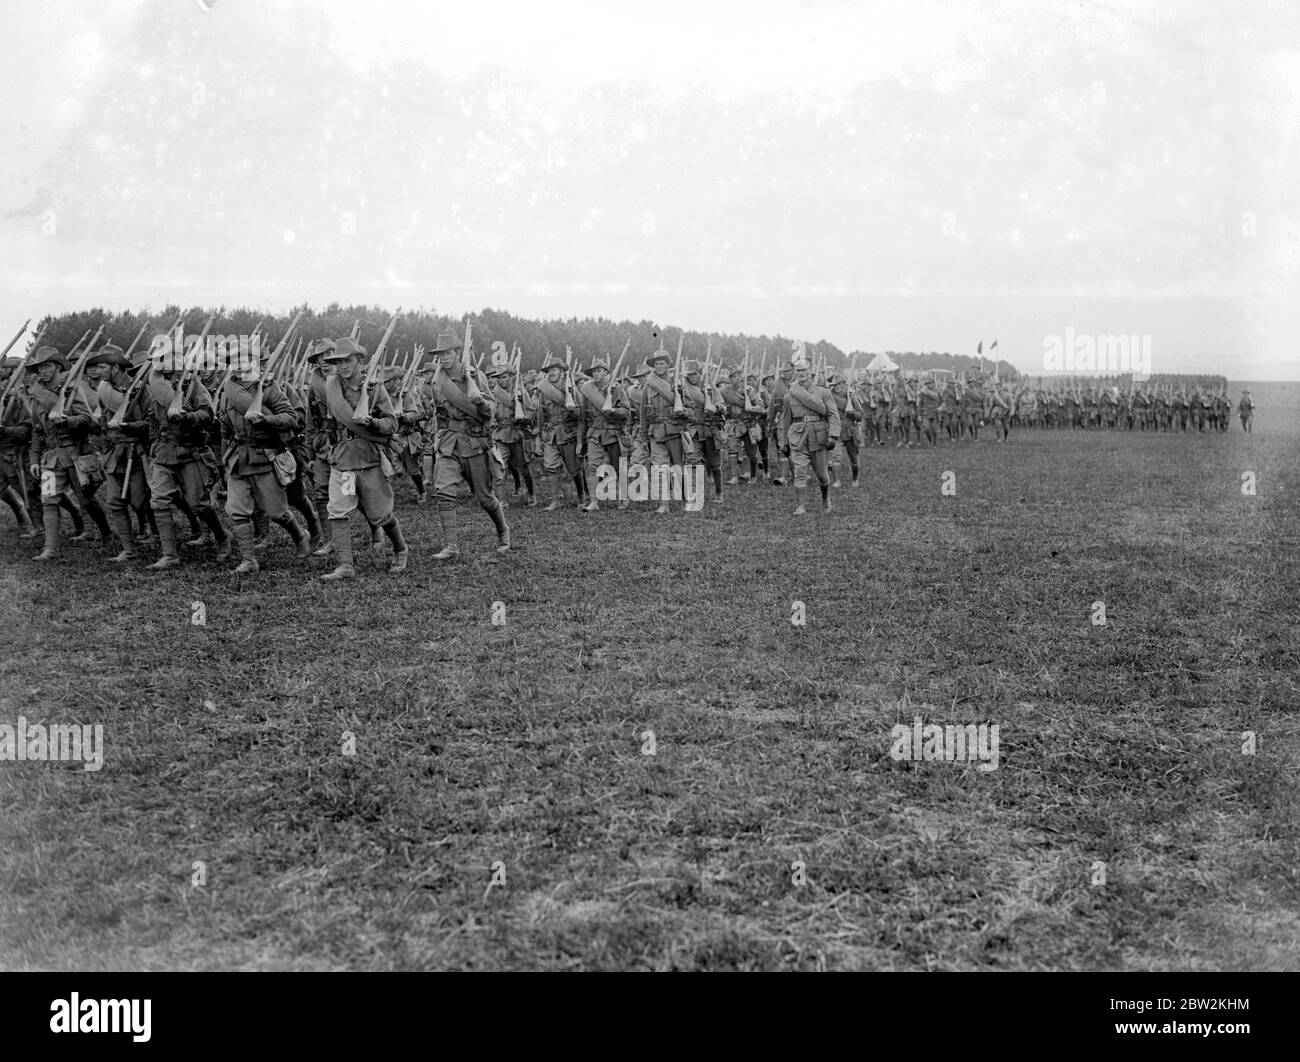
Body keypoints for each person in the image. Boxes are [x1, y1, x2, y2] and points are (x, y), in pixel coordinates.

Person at [317, 337, 409, 579]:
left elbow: (392, 423)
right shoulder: (332, 386)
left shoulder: (375, 388)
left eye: (348, 360)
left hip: (369, 461)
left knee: (381, 514)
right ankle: (345, 565)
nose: (343, 366)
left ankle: (400, 549)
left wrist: (373, 422)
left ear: (359, 360)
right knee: (338, 509)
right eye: (338, 361)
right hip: (344, 461)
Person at [219, 361, 312, 574]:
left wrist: (266, 420)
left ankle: (300, 536)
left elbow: (291, 418)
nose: (238, 368)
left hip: (265, 458)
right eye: (234, 363)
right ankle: (249, 560)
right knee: (237, 511)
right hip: (238, 459)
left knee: (277, 512)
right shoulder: (229, 391)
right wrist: (222, 460)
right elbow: (224, 426)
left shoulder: (269, 389)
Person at [427, 331, 510, 559]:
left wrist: (480, 401)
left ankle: (503, 530)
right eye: (440, 354)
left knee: (485, 498)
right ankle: (451, 546)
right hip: (449, 443)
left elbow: (491, 411)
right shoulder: (438, 381)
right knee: (444, 492)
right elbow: (439, 413)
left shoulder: (475, 376)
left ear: (457, 353)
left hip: (474, 443)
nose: (444, 358)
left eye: (448, 353)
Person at [26, 345, 104, 561]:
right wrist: (34, 459)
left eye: (48, 366)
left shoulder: (71, 390)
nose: (44, 371)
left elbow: (87, 420)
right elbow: (36, 431)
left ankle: (104, 531)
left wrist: (68, 421)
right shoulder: (35, 396)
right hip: (51, 457)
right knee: (49, 498)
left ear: (58, 366)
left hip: (75, 453)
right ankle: (50, 549)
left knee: (85, 498)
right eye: (40, 367)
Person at [85, 345, 151, 563]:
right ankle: (128, 549)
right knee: (115, 501)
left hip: (137, 452)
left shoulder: (141, 389)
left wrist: (128, 426)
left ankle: (157, 532)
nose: (98, 370)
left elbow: (151, 424)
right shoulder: (103, 390)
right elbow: (104, 419)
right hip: (115, 453)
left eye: (102, 366)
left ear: (115, 368)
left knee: (140, 500)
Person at [781, 361, 840, 516]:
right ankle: (801, 506)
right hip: (798, 437)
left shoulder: (823, 392)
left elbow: (833, 414)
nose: (801, 373)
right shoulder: (789, 396)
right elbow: (786, 421)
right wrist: (785, 443)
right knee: (799, 471)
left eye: (804, 370)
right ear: (795, 372)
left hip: (819, 437)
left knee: (821, 474)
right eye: (798, 370)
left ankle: (826, 499)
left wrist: (833, 435)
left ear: (810, 371)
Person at [576, 354, 629, 511]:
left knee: (618, 467)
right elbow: (583, 419)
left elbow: (626, 411)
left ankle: (623, 499)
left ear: (606, 372)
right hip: (594, 434)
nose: (597, 374)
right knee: (591, 467)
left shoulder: (616, 388)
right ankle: (594, 502)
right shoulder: (587, 390)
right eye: (594, 371)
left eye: (600, 371)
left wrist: (613, 410)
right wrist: (580, 441)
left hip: (613, 433)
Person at [535, 354, 585, 511]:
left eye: (554, 370)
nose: (551, 373)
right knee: (550, 467)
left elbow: (579, 415)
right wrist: (539, 436)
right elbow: (541, 415)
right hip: (551, 434)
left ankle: (582, 496)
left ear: (562, 372)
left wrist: (571, 409)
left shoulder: (571, 389)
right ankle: (555, 501)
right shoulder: (544, 391)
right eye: (549, 370)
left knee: (574, 469)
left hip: (568, 433)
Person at [0, 356, 37, 540]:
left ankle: (42, 529)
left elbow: (28, 429)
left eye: (10, 372)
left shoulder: (20, 399)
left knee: (32, 492)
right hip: (2, 455)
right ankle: (25, 520)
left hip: (19, 455)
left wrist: (5, 431)